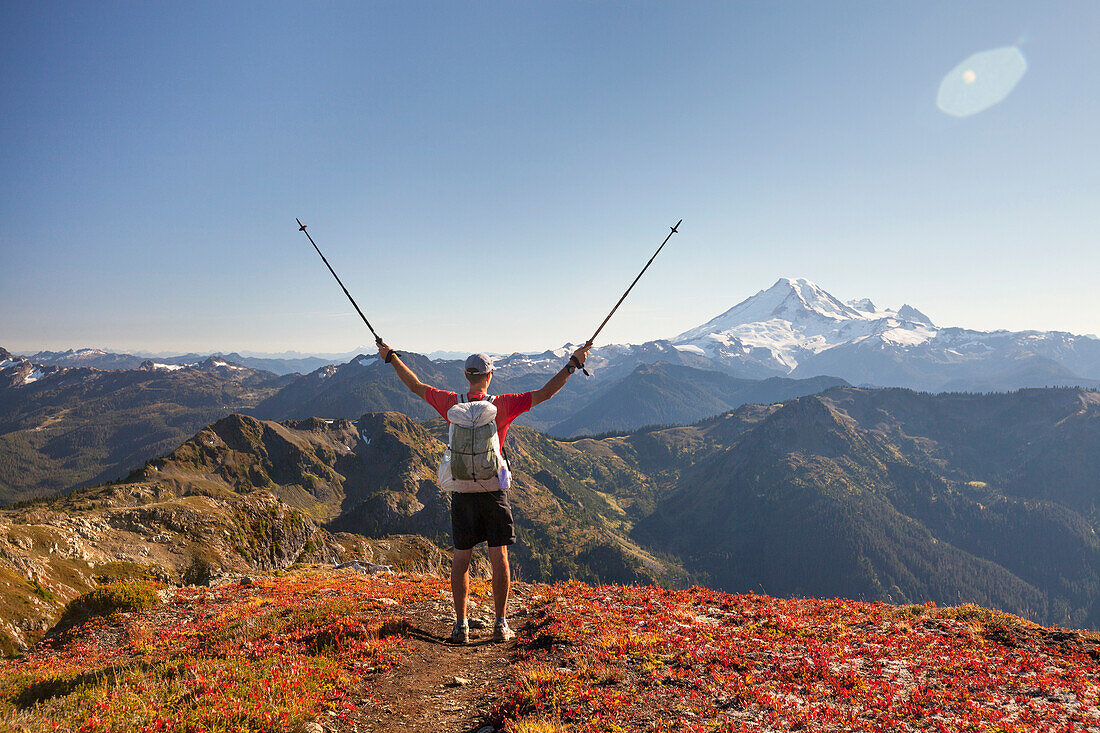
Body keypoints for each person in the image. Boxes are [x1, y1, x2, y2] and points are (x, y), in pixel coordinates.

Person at [376, 340, 591, 643]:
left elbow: (415, 385)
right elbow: (545, 393)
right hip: (493, 489)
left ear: (466, 376)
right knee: (498, 554)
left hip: (462, 490)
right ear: (490, 375)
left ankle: (460, 626)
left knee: (461, 557)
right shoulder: (501, 404)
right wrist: (572, 365)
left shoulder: (451, 403)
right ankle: (501, 624)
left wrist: (391, 357)